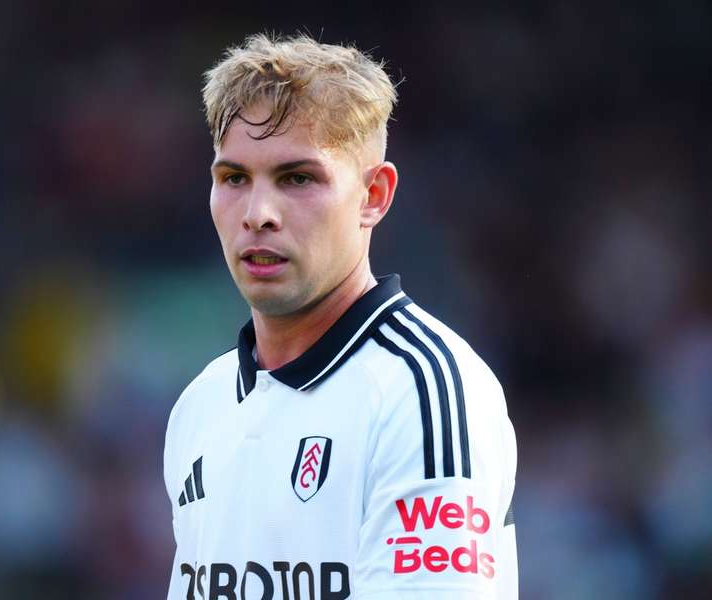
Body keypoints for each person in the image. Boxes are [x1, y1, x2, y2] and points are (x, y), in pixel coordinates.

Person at [164, 33, 517, 599]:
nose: (258, 214)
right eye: (234, 179)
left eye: (297, 178)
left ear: (373, 195)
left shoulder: (424, 392)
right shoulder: (199, 408)